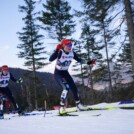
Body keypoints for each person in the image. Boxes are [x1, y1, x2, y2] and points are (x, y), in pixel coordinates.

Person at [49, 39, 96, 114]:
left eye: (71, 45)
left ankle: (78, 105)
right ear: (64, 45)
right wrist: (57, 50)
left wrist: (89, 62)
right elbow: (50, 59)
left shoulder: (72, 53)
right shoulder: (60, 52)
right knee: (66, 87)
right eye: (68, 45)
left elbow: (80, 60)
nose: (70, 47)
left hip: (65, 72)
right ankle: (61, 107)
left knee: (73, 87)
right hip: (58, 73)